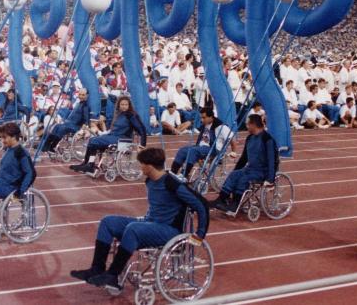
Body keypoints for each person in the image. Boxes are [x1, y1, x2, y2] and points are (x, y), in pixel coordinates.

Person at [70, 147, 209, 292]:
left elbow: (202, 205)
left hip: (169, 230)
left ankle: (112, 275)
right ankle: (97, 269)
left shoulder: (172, 184)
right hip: (150, 223)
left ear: (149, 166)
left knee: (133, 229)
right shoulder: (150, 181)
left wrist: (200, 234)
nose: (139, 167)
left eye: (141, 164)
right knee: (108, 222)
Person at [211, 115, 277, 213]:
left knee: (243, 179)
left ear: (253, 125)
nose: (246, 126)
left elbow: (272, 160)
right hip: (250, 169)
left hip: (263, 171)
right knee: (234, 175)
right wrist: (235, 171)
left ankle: (235, 203)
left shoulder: (267, 139)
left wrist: (270, 179)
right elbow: (244, 158)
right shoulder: (250, 138)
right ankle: (221, 200)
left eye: (247, 124)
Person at [71, 95, 146, 174]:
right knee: (93, 140)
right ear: (119, 105)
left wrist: (142, 145)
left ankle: (89, 165)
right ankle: (87, 163)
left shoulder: (132, 115)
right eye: (122, 105)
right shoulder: (120, 114)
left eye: (126, 105)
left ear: (129, 105)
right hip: (113, 136)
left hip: (121, 139)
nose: (124, 106)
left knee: (94, 141)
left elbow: (142, 129)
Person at [170, 107, 235, 177]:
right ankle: (173, 172)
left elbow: (231, 138)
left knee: (193, 151)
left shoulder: (221, 126)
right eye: (201, 117)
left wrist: (234, 151)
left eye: (204, 118)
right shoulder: (205, 124)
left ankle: (184, 175)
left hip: (213, 149)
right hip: (201, 147)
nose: (201, 120)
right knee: (182, 150)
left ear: (211, 117)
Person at [41, 88, 90, 153]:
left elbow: (86, 119)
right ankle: (46, 145)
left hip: (76, 126)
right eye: (80, 94)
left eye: (83, 95)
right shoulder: (78, 103)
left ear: (87, 95)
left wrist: (83, 129)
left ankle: (52, 145)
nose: (81, 96)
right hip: (69, 123)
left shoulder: (86, 106)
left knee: (62, 128)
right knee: (57, 126)